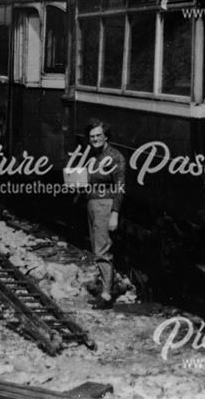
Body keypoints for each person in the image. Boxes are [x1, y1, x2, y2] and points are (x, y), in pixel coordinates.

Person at [85, 119, 126, 308]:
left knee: (102, 250)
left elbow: (120, 187)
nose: (95, 139)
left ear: (106, 136)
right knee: (98, 248)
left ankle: (107, 295)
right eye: (92, 136)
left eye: (98, 136)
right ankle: (106, 286)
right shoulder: (94, 155)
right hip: (93, 203)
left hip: (105, 204)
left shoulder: (115, 157)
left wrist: (115, 213)